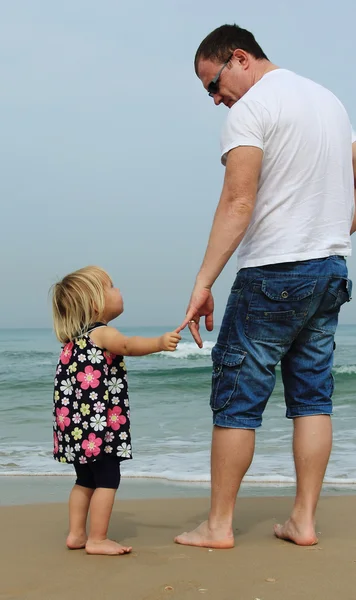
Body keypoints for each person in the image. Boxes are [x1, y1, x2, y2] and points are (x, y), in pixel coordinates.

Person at [175, 24, 355, 549]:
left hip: (275, 270)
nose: (215, 100)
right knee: (313, 399)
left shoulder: (251, 109)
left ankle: (219, 525)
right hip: (330, 269)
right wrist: (333, 233)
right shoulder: (330, 101)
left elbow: (237, 201)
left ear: (239, 58)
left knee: (236, 398)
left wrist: (203, 283)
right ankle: (303, 520)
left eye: (213, 85)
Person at [51, 266, 181, 555]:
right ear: (96, 303)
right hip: (98, 428)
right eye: (111, 286)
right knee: (108, 479)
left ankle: (76, 534)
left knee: (84, 479)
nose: (118, 290)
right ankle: (97, 539)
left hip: (73, 427)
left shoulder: (73, 341)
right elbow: (127, 345)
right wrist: (158, 343)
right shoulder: (102, 333)